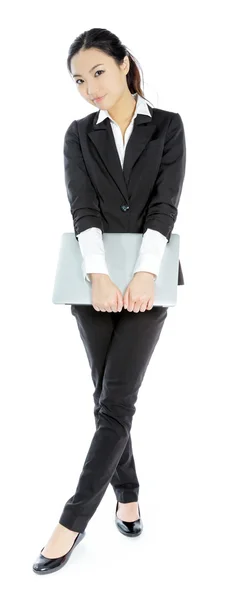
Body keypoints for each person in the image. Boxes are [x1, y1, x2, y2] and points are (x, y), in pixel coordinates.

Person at [33, 27, 186, 574]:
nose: (89, 87)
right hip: (90, 282)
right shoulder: (78, 134)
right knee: (108, 401)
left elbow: (164, 206)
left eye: (98, 72)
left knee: (115, 402)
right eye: (78, 80)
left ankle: (70, 523)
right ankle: (128, 494)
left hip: (150, 278)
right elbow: (84, 210)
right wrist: (98, 276)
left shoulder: (167, 127)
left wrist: (145, 274)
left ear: (124, 64)